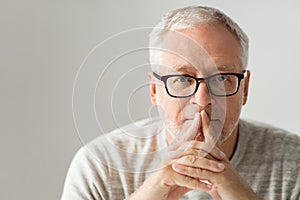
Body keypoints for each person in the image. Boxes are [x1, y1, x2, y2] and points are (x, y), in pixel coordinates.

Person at [61, 6, 300, 200]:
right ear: (155, 90)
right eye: (182, 79)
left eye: (221, 78)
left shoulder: (293, 161)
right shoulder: (100, 164)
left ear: (244, 89)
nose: (203, 100)